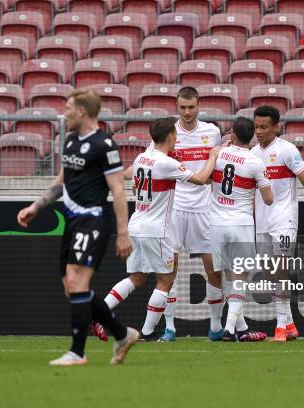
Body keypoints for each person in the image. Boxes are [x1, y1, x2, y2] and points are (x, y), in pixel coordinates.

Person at [16, 88, 137, 366]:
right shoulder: (70, 141)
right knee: (72, 288)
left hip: (92, 220)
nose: (65, 113)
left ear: (81, 111)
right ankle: (122, 333)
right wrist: (36, 206)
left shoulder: (104, 144)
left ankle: (77, 352)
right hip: (71, 222)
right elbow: (61, 182)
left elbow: (118, 190)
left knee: (77, 282)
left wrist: (123, 233)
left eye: (68, 108)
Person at [103, 117, 221, 340]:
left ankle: (99, 312)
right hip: (157, 229)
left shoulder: (141, 158)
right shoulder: (167, 164)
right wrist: (213, 156)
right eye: (175, 136)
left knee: (136, 277)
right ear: (170, 137)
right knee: (165, 280)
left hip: (136, 225)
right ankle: (147, 332)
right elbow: (202, 178)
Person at [159, 87, 224, 342]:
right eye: (183, 107)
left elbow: (217, 168)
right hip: (173, 208)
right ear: (177, 106)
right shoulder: (167, 134)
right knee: (168, 272)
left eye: (191, 107)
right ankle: (170, 327)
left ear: (199, 106)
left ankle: (216, 327)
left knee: (215, 270)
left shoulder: (212, 132)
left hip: (204, 210)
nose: (187, 112)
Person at [251, 105, 304, 342]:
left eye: (263, 127)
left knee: (280, 270)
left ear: (276, 127)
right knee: (269, 274)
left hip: (284, 220)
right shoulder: (252, 154)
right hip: (261, 222)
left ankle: (280, 327)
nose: (258, 131)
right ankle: (290, 324)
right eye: (256, 126)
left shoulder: (287, 150)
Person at [210, 117, 273, 341]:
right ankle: (229, 330)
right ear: (252, 137)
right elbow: (268, 199)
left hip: (216, 224)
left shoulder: (218, 154)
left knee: (228, 277)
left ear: (232, 135)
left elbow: (208, 177)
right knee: (239, 279)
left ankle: (240, 326)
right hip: (241, 224)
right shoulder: (255, 162)